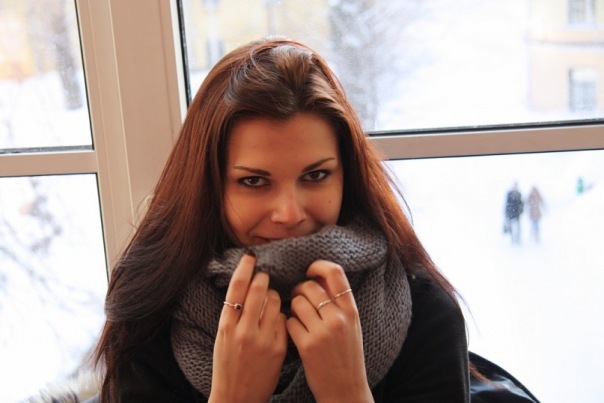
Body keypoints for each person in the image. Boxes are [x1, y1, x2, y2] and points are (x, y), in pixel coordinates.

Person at [93, 37, 470, 402]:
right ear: (208, 188)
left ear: (347, 176)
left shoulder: (426, 314)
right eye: (253, 181)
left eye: (316, 175)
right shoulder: (150, 317)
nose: (289, 214)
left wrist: (347, 394)